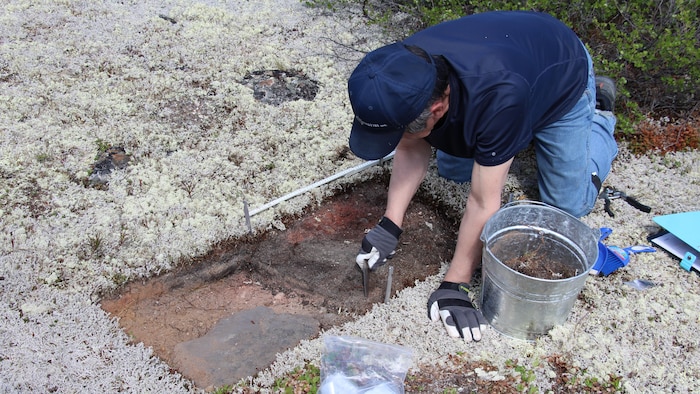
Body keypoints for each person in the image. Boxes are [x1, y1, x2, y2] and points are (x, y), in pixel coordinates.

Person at [348, 11, 618, 342]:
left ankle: (600, 115)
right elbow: (409, 146)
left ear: (437, 109)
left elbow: (483, 200)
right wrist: (390, 224)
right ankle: (512, 137)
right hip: (512, 64)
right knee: (452, 170)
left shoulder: (501, 98)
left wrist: (455, 283)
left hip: (561, 73)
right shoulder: (400, 71)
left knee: (567, 203)